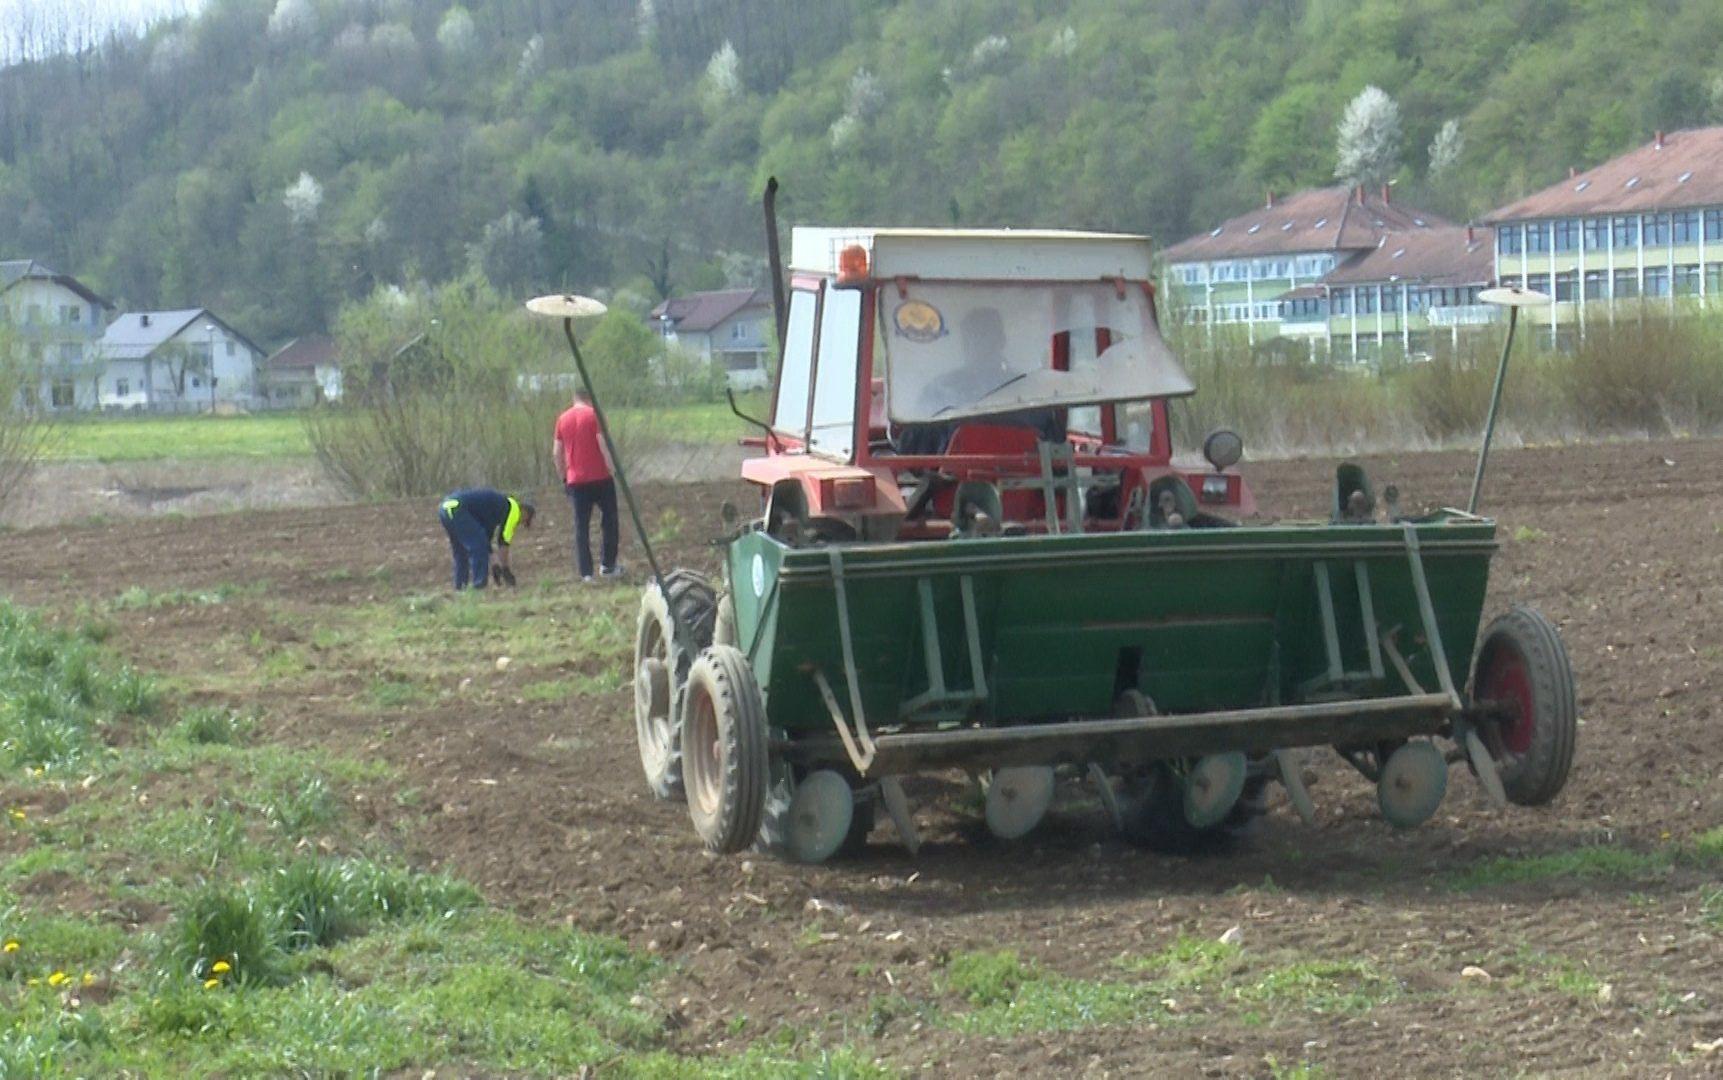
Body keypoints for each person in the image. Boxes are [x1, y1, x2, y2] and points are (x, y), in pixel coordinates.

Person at [554, 387, 621, 582]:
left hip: (576, 481)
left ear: (574, 399)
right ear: (589, 399)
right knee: (609, 521)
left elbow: (556, 453)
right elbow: (603, 445)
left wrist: (564, 478)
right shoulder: (594, 415)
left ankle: (586, 573)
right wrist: (613, 470)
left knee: (581, 527)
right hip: (600, 478)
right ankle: (608, 565)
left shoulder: (562, 419)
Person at [437, 487, 534, 590]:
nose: (521, 523)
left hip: (445, 508)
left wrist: (495, 565)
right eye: (525, 520)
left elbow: (485, 540)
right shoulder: (514, 510)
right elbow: (503, 542)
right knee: (477, 546)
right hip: (459, 509)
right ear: (524, 512)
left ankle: (460, 588)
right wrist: (506, 570)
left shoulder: (495, 509)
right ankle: (479, 586)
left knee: (461, 551)